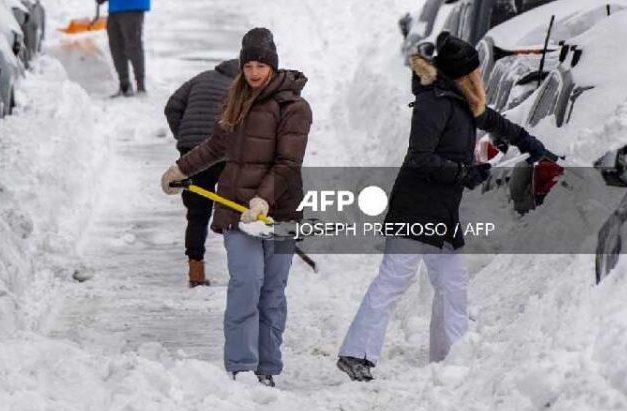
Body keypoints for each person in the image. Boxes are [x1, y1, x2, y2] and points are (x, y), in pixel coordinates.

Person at [337, 32, 554, 382]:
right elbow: (420, 158)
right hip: (416, 206)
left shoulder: (459, 99)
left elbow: (494, 121)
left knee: (453, 283)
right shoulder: (434, 103)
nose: (479, 78)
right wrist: (463, 173)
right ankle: (355, 353)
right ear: (462, 75)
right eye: (475, 73)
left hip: (441, 209)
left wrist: (528, 142)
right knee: (395, 279)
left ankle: (451, 356)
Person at [158, 28, 311, 387]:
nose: (255, 73)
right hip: (236, 209)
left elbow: (288, 163)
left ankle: (268, 369)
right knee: (246, 283)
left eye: (261, 66)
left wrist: (264, 199)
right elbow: (215, 146)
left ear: (272, 66)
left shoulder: (295, 107)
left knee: (272, 294)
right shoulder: (235, 100)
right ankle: (241, 366)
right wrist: (179, 169)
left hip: (280, 212)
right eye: (249, 66)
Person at [164, 59, 240, 287]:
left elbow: (172, 106)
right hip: (224, 152)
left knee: (197, 212)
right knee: (234, 208)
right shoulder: (241, 88)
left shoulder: (201, 78)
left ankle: (195, 270)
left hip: (191, 151)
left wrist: (185, 138)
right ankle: (242, 269)